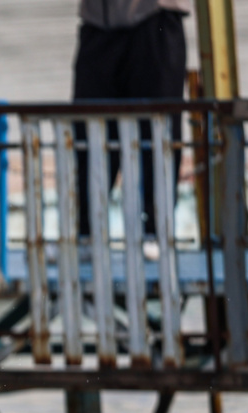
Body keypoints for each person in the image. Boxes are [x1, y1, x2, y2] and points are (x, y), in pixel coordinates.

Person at [73, 0, 190, 244]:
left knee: (158, 131)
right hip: (99, 22)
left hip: (155, 16)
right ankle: (86, 232)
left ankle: (157, 231)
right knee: (89, 131)